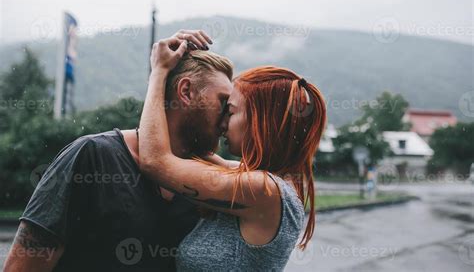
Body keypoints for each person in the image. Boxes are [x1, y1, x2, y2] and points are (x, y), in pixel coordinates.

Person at [4, 30, 232, 272]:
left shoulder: (203, 183)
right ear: (185, 92)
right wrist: (160, 72)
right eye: (223, 102)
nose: (227, 120)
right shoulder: (92, 156)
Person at [138, 34, 327, 271]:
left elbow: (156, 161)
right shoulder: (259, 179)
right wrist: (186, 61)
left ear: (260, 121)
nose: (223, 122)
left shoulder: (263, 190)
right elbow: (189, 153)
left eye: (232, 111)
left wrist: (159, 71)